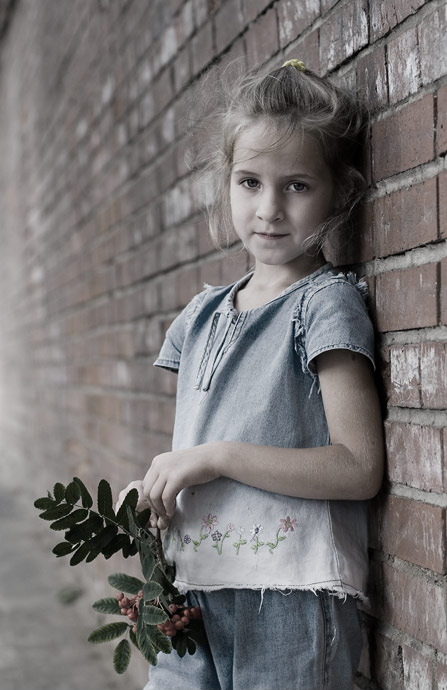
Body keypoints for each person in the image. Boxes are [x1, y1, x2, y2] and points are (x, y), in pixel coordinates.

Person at [117, 58, 384, 690]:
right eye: (248, 182)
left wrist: (218, 458)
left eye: (296, 185)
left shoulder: (323, 304)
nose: (268, 208)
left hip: (287, 594)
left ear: (339, 193)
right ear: (226, 184)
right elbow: (196, 445)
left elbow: (359, 465)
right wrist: (156, 490)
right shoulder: (201, 315)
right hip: (189, 590)